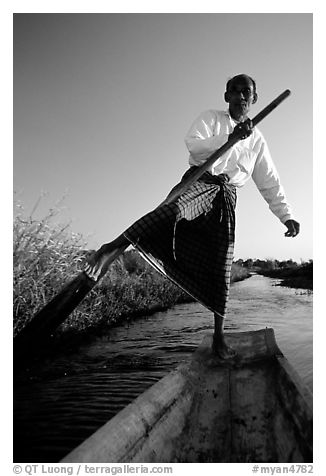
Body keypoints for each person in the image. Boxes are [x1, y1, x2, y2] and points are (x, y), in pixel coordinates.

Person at [85, 73, 300, 359]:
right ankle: (109, 249)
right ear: (226, 96)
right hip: (199, 181)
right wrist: (230, 138)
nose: (240, 96)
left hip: (225, 197)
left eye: (246, 92)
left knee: (220, 261)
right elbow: (194, 144)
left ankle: (218, 338)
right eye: (234, 91)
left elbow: (269, 181)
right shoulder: (211, 118)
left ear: (254, 99)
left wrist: (286, 216)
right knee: (167, 213)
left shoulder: (258, 140)